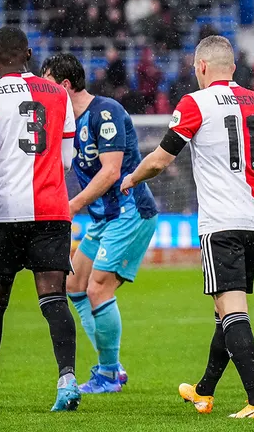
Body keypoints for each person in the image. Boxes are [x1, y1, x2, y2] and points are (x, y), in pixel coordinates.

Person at [119, 35, 254, 419]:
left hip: (221, 223)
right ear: (233, 68)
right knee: (224, 311)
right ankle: (204, 391)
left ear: (201, 67)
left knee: (232, 309)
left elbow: (161, 160)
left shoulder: (195, 103)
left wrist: (132, 178)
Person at [0, 26, 81, 411]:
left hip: (6, 213)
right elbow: (66, 159)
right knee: (54, 298)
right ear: (28, 53)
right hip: (52, 210)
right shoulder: (59, 95)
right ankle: (67, 381)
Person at [42, 53, 158, 394]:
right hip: (103, 218)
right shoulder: (63, 122)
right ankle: (112, 367)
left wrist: (73, 204)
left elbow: (110, 171)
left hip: (129, 212)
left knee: (98, 288)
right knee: (75, 286)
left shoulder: (104, 113)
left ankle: (108, 374)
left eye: (46, 82)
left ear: (64, 85)